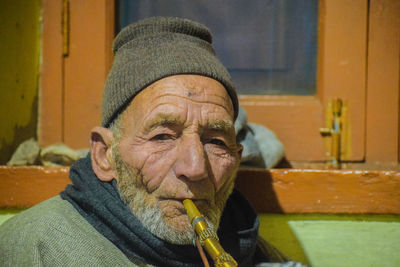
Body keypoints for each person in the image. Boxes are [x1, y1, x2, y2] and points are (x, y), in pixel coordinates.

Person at [0, 17, 294, 266]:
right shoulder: (38, 250)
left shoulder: (246, 246)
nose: (194, 168)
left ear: (237, 158)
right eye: (162, 136)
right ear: (105, 155)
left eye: (216, 141)